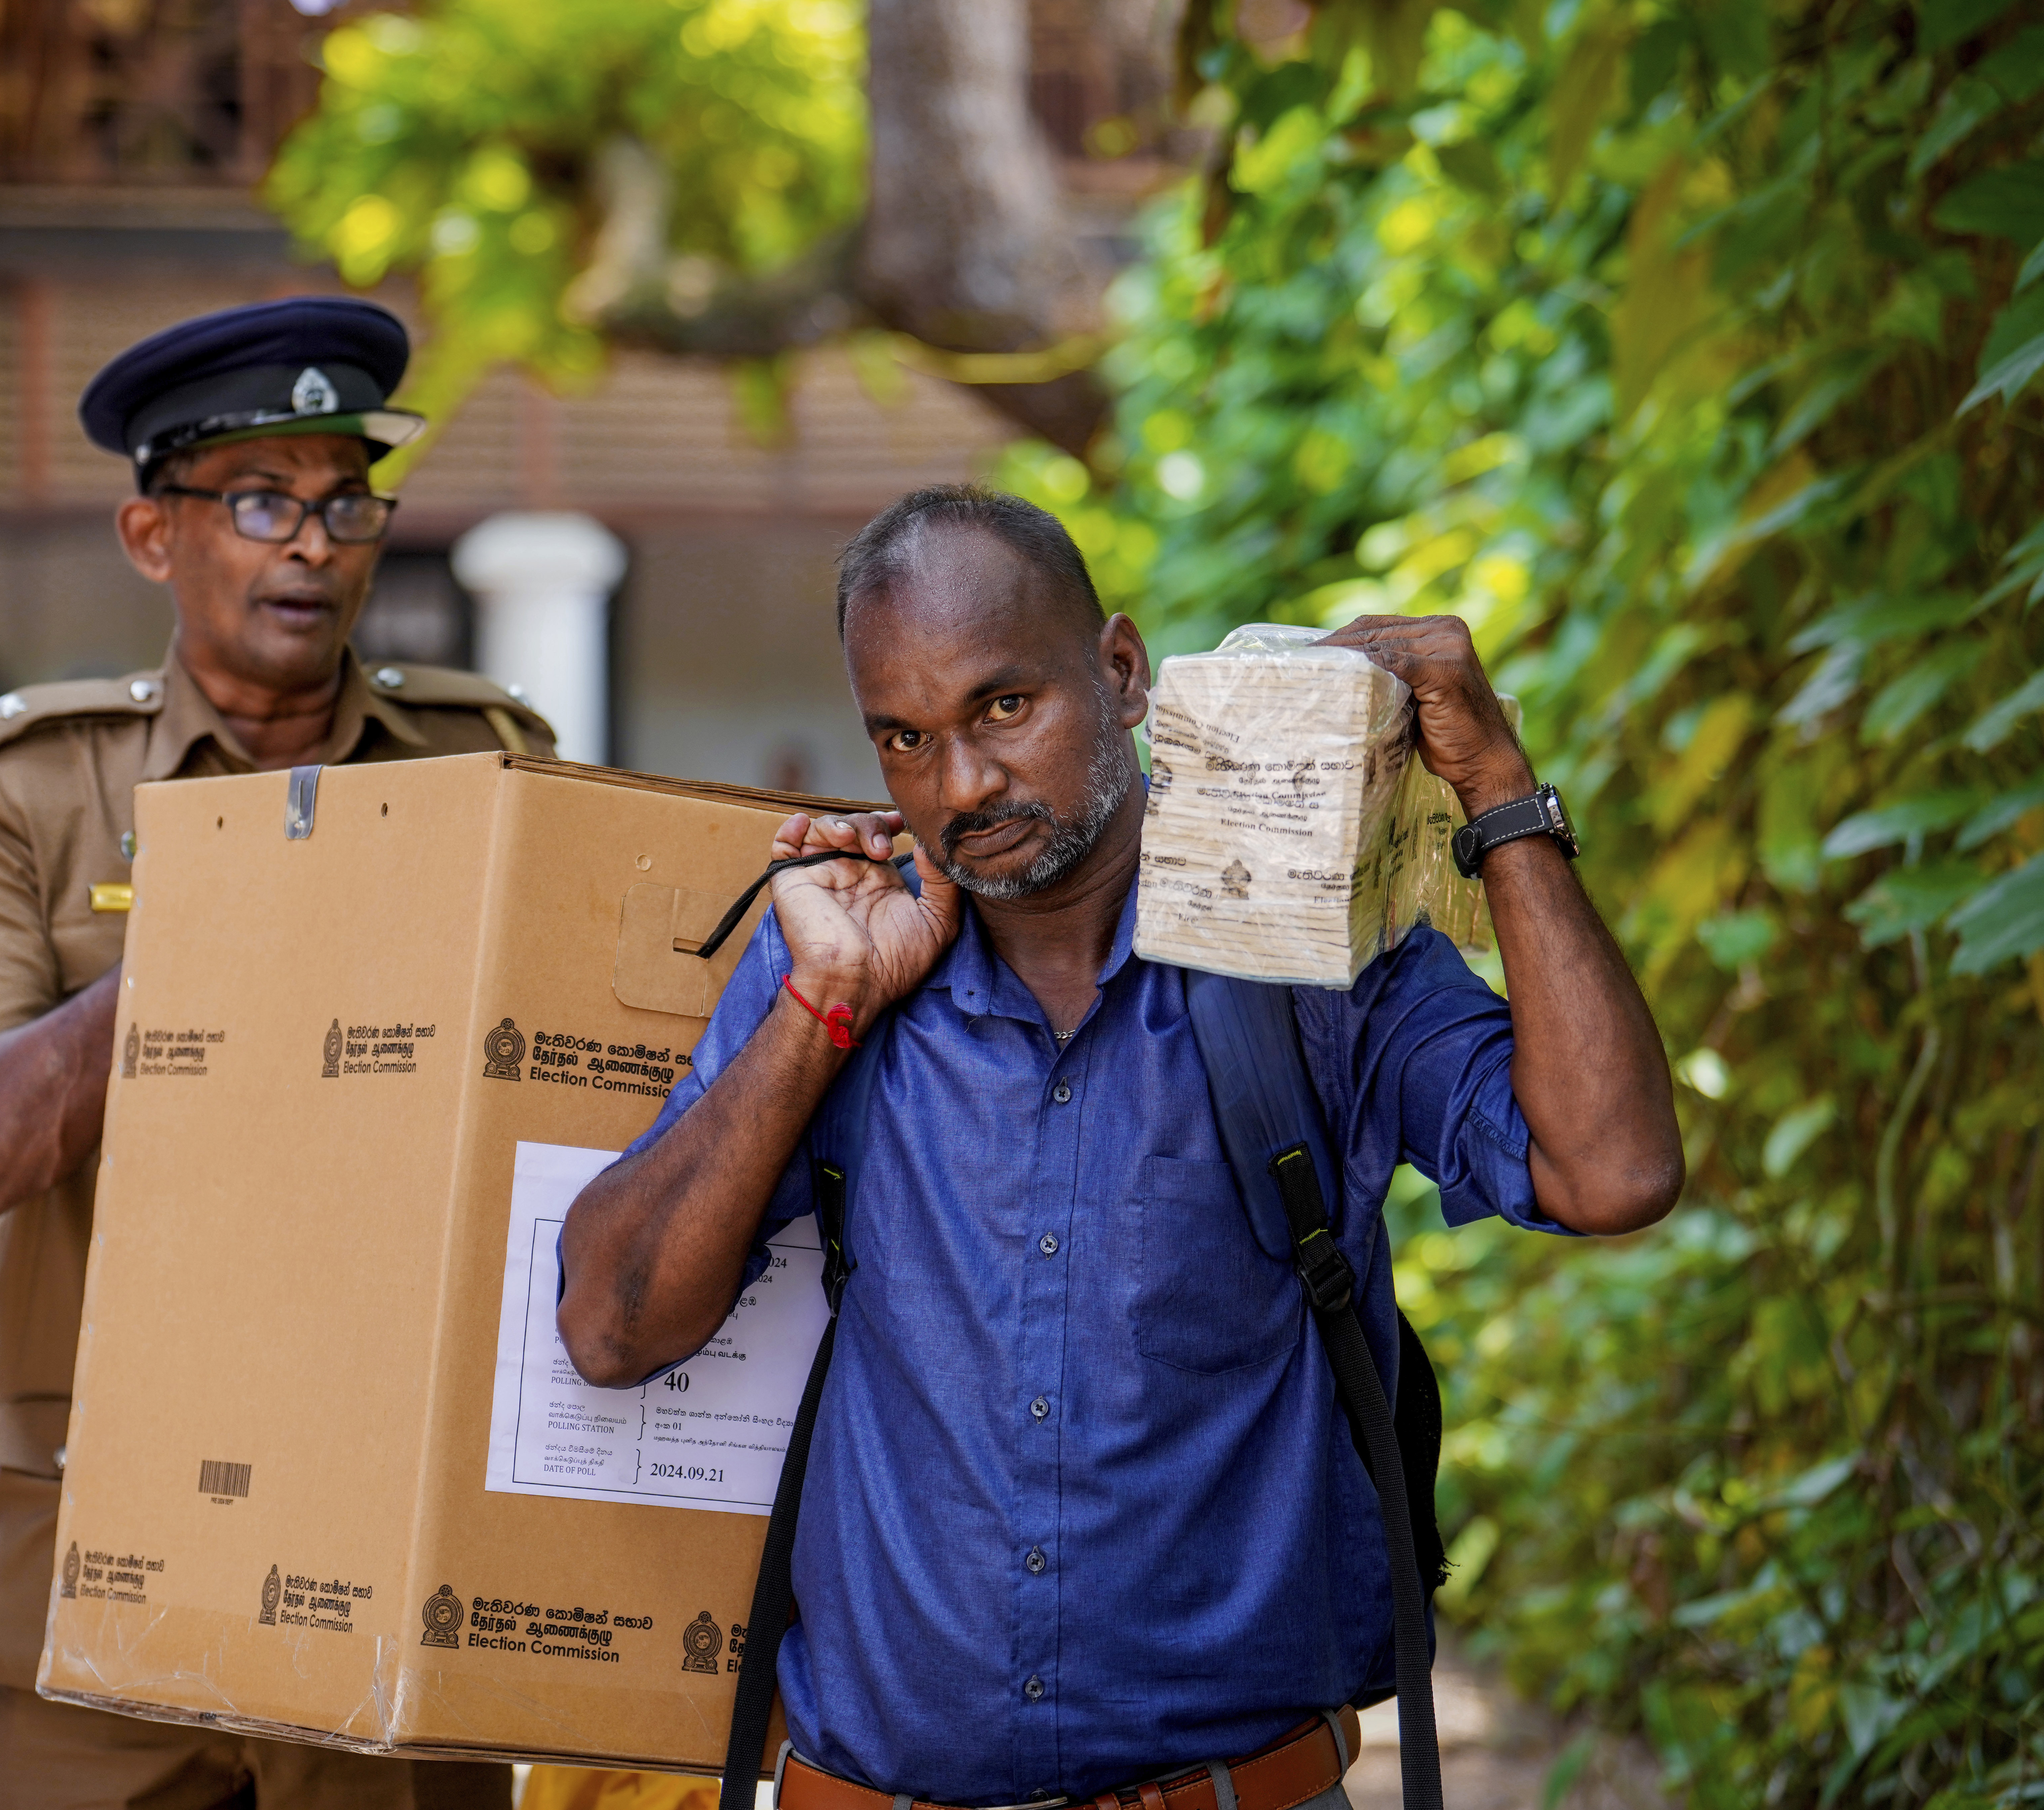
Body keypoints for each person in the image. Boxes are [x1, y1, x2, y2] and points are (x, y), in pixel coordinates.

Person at [556, 486, 1685, 1810]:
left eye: (1001, 707)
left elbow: (1607, 1170)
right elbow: (610, 1327)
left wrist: (1495, 790)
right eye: (905, 739)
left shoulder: (1311, 953)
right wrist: (823, 1010)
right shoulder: (835, 968)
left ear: (1122, 671)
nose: (962, 785)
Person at [0, 295, 554, 1810]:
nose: (314, 546)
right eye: (263, 501)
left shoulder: (488, 768)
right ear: (153, 536)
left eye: (345, 503)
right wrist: (215, 948)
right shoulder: (35, 784)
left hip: (396, 1539)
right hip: (104, 1553)